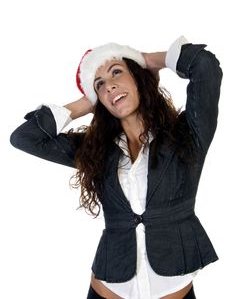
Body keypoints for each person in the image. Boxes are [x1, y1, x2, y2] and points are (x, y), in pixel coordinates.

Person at [10, 36, 223, 299]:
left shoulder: (188, 134)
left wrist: (149, 60)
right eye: (99, 85)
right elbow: (24, 138)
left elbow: (205, 65)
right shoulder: (95, 151)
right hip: (110, 286)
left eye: (117, 72)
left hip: (172, 286)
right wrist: (83, 104)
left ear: (138, 78)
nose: (109, 86)